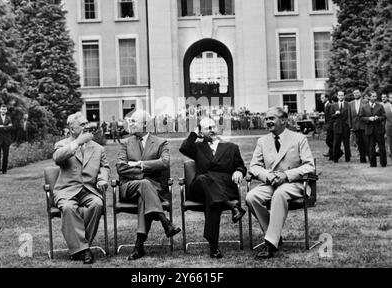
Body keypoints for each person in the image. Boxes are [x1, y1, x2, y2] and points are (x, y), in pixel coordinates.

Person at [245, 107, 315, 259]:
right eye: (267, 118)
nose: (268, 121)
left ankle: (270, 243)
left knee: (280, 193)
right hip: (272, 182)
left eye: (272, 118)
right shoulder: (262, 141)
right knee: (251, 196)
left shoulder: (298, 138)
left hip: (294, 184)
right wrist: (268, 175)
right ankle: (274, 233)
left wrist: (286, 175)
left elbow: (309, 166)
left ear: (283, 120)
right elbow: (254, 166)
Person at [116, 110, 180, 261]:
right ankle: (165, 222)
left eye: (133, 121)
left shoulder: (160, 142)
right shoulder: (125, 143)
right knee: (145, 183)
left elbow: (165, 163)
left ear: (145, 124)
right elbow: (120, 167)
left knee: (144, 198)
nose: (130, 124)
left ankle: (139, 246)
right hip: (129, 186)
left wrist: (140, 164)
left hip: (151, 190)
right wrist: (144, 171)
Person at [179, 117, 247, 258]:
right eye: (207, 128)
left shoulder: (231, 147)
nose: (212, 130)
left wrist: (239, 171)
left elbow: (240, 165)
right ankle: (232, 206)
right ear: (201, 132)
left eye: (213, 127)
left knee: (213, 203)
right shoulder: (197, 147)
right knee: (203, 178)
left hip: (222, 189)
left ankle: (214, 247)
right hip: (200, 188)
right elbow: (183, 148)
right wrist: (194, 134)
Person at [53, 112, 110, 264]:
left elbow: (105, 167)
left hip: (89, 190)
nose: (87, 127)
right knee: (68, 208)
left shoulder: (98, 148)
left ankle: (79, 248)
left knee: (97, 204)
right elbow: (58, 158)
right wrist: (77, 142)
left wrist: (102, 179)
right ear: (72, 129)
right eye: (82, 124)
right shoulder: (62, 144)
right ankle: (84, 250)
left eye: (87, 124)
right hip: (67, 190)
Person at [361, 91, 387, 167]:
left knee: (381, 147)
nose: (375, 98)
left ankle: (383, 163)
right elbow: (361, 118)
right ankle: (373, 163)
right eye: (373, 96)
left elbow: (384, 116)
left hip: (379, 129)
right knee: (371, 147)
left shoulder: (380, 106)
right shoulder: (364, 107)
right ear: (369, 97)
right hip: (369, 129)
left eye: (375, 96)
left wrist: (378, 118)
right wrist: (369, 118)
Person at [330, 91, 351, 162]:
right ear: (337, 96)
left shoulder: (348, 104)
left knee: (346, 143)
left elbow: (349, 115)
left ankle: (347, 158)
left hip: (345, 126)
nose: (341, 97)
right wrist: (336, 114)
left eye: (342, 95)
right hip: (337, 126)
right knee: (336, 143)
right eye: (339, 95)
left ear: (344, 96)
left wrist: (349, 124)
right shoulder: (334, 105)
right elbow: (331, 116)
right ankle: (335, 158)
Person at [348, 89, 368, 163]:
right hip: (355, 126)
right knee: (359, 143)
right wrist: (350, 126)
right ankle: (362, 159)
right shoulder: (350, 103)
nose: (356, 94)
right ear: (353, 95)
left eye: (357, 93)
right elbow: (349, 115)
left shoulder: (365, 101)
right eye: (355, 93)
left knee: (366, 142)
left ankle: (370, 156)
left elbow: (368, 112)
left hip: (364, 125)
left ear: (360, 93)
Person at [0, 104, 13, 174]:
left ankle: (4, 170)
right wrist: (6, 127)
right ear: (0, 110)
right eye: (2, 109)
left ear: (6, 110)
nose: (3, 110)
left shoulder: (9, 118)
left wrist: (2, 126)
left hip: (6, 139)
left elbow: (11, 127)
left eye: (5, 109)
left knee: (5, 155)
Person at [321, 94, 334, 160]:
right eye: (321, 98)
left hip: (331, 126)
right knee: (330, 141)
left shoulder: (329, 105)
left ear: (326, 98)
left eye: (322, 98)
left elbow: (331, 117)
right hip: (328, 125)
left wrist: (329, 126)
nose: (321, 99)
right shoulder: (326, 105)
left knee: (328, 141)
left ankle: (338, 151)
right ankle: (331, 155)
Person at [385, 92, 392, 159]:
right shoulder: (385, 107)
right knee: (390, 143)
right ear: (388, 98)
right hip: (389, 128)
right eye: (390, 97)